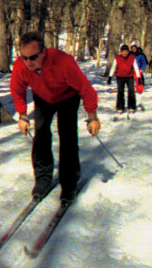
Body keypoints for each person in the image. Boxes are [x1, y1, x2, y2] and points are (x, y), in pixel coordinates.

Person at [10, 31, 101, 203]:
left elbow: (86, 89)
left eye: (34, 57)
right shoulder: (21, 66)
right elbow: (17, 90)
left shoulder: (63, 62)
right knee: (41, 134)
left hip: (67, 96)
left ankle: (69, 183)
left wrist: (92, 116)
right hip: (43, 97)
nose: (29, 62)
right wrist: (22, 115)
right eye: (24, 57)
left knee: (67, 136)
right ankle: (42, 178)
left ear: (43, 52)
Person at [107, 44, 141, 114]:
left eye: (126, 51)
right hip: (120, 77)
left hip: (130, 77)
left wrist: (139, 78)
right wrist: (110, 76)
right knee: (120, 92)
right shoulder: (117, 58)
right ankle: (120, 107)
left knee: (131, 91)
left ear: (128, 51)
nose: (125, 53)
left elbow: (136, 67)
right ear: (121, 52)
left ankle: (131, 106)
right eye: (123, 51)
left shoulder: (132, 57)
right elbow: (114, 67)